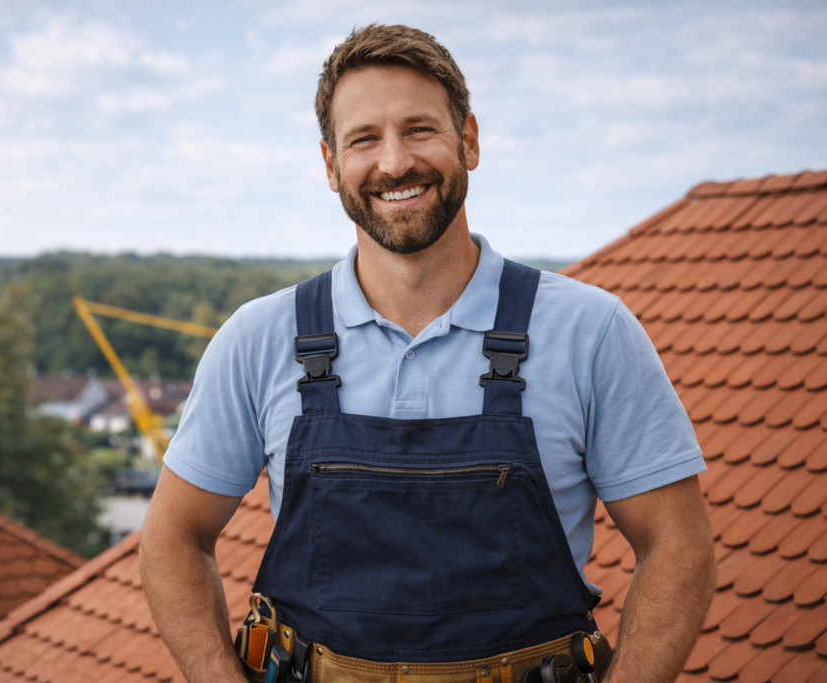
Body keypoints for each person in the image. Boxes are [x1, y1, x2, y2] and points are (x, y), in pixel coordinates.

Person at [139, 24, 715, 683]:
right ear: (331, 165)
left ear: (468, 140)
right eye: (363, 139)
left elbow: (679, 546)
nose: (393, 163)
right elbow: (171, 537)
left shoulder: (592, 332)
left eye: (419, 129)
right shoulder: (257, 340)